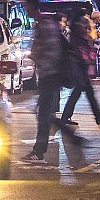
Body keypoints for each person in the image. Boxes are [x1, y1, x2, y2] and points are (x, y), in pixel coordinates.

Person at [23, 11, 72, 163]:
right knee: (45, 114)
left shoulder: (46, 26)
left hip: (49, 76)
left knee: (44, 114)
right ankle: (71, 138)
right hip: (48, 76)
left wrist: (36, 54)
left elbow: (49, 52)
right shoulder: (47, 26)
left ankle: (39, 151)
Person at [60, 9, 100, 128]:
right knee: (80, 91)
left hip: (80, 64)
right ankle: (67, 117)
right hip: (79, 64)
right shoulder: (78, 32)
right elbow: (84, 46)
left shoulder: (75, 30)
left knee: (86, 91)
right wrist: (87, 59)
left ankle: (97, 117)